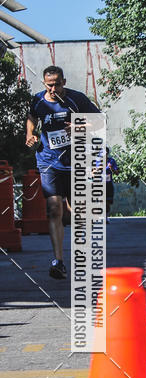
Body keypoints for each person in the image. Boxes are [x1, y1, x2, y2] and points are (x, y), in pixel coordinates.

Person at [26, 65, 102, 279]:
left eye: (57, 84)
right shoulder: (38, 100)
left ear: (64, 82)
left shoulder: (76, 99)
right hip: (48, 161)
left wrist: (80, 127)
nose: (53, 89)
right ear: (44, 84)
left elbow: (99, 121)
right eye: (49, 85)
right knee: (54, 209)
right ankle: (58, 261)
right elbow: (32, 117)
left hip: (76, 160)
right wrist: (30, 134)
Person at [104, 147, 119, 218]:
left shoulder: (111, 161)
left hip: (108, 183)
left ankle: (106, 216)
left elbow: (117, 173)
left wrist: (112, 168)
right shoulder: (96, 161)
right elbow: (91, 172)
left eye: (106, 152)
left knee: (107, 202)